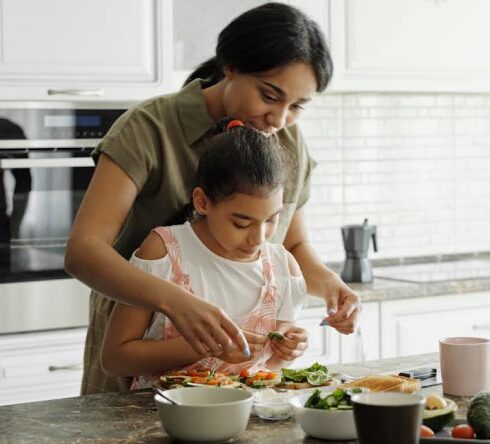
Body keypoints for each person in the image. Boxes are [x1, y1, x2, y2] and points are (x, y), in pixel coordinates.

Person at [65, 2, 362, 395]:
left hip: (237, 380)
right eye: (269, 95)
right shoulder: (149, 128)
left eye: (297, 107)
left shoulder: (287, 140)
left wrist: (330, 286)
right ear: (231, 67)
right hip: (139, 352)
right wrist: (176, 302)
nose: (279, 119)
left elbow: (291, 243)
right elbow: (83, 251)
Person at [101, 120, 309, 390]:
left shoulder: (282, 267)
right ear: (202, 202)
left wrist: (289, 349)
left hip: (248, 418)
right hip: (162, 418)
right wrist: (204, 347)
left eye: (272, 220)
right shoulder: (164, 251)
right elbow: (115, 359)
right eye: (241, 223)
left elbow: (272, 366)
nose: (259, 238)